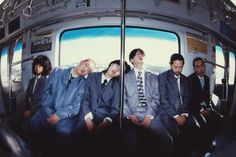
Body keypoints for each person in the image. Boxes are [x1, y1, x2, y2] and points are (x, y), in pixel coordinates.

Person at [74, 60, 130, 157]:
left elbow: (116, 109)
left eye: (120, 70)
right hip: (86, 113)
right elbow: (85, 99)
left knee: (103, 142)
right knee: (76, 136)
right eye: (116, 65)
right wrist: (87, 119)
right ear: (111, 64)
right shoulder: (92, 76)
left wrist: (106, 122)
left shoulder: (118, 86)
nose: (116, 69)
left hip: (104, 117)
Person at [122, 48, 172, 157]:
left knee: (167, 140)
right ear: (131, 60)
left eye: (142, 54)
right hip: (131, 115)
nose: (141, 55)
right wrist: (129, 115)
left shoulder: (154, 77)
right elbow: (122, 99)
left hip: (150, 113)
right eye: (137, 54)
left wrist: (149, 115)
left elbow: (156, 98)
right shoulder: (124, 78)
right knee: (130, 143)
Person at [29, 59, 95, 137]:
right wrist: (50, 111)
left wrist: (58, 115)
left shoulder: (84, 84)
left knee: (63, 132)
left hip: (66, 115)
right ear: (81, 61)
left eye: (89, 70)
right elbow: (46, 92)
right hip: (48, 108)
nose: (86, 69)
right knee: (33, 124)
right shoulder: (57, 72)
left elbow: (75, 106)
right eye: (86, 65)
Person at [158, 53, 197, 157]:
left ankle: (188, 152)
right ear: (170, 65)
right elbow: (163, 100)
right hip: (167, 112)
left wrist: (183, 114)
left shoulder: (185, 79)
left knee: (194, 127)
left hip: (182, 111)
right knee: (177, 133)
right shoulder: (163, 77)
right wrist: (176, 116)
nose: (178, 70)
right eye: (175, 67)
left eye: (180, 67)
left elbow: (186, 98)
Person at [188, 57, 222, 155]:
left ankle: (209, 142)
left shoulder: (207, 79)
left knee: (218, 118)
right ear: (194, 68)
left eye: (202, 66)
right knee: (202, 124)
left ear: (204, 66)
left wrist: (207, 107)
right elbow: (191, 99)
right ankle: (202, 149)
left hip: (205, 107)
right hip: (194, 108)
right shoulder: (190, 79)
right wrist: (201, 110)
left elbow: (207, 96)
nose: (200, 69)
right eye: (197, 66)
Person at [23, 55, 52, 120]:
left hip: (40, 109)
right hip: (29, 108)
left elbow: (43, 100)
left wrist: (31, 111)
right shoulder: (31, 81)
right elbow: (27, 97)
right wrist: (25, 109)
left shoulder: (46, 81)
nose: (37, 68)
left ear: (45, 67)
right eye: (36, 65)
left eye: (40, 66)